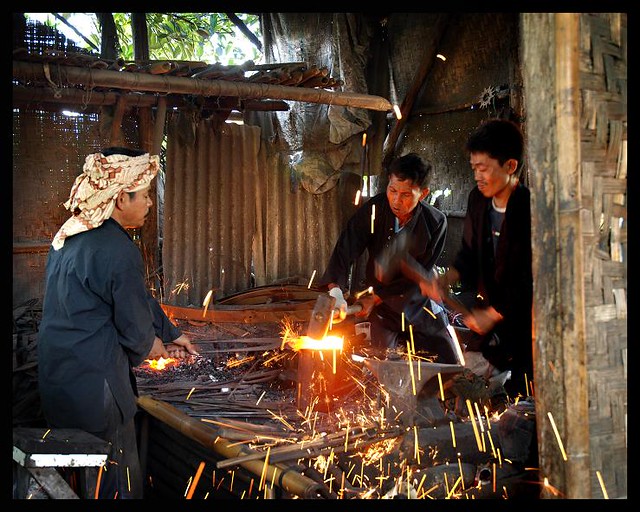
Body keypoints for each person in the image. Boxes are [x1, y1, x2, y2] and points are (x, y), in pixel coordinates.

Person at [37, 147, 199, 499]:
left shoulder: (67, 237)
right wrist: (157, 347)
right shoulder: (117, 249)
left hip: (58, 379)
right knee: (113, 481)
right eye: (144, 196)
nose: (150, 204)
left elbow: (132, 297)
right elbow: (135, 329)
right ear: (121, 198)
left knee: (77, 475)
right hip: (97, 391)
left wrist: (172, 333)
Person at [317, 152, 461, 365]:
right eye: (392, 190)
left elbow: (420, 273)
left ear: (422, 194)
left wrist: (374, 298)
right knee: (385, 366)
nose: (396, 200)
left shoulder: (435, 222)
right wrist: (336, 291)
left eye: (405, 195)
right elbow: (345, 249)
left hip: (417, 301)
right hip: (382, 308)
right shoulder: (374, 210)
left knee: (449, 359)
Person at [424, 118, 533, 398]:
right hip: (491, 310)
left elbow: (529, 278)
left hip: (527, 318)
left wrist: (495, 314)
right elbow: (470, 253)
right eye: (474, 169)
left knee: (524, 390)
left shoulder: (528, 209)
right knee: (469, 383)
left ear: (510, 166)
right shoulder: (478, 199)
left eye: (483, 168)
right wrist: (447, 278)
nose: (477, 177)